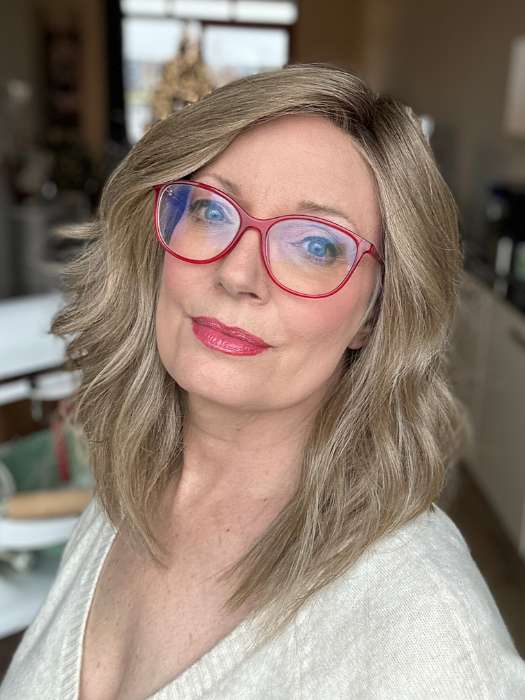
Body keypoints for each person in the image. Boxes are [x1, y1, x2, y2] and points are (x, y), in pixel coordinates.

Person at [1, 62, 524, 700]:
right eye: (211, 210)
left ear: (374, 314)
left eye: (317, 246)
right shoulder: (127, 484)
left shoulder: (430, 631)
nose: (237, 274)